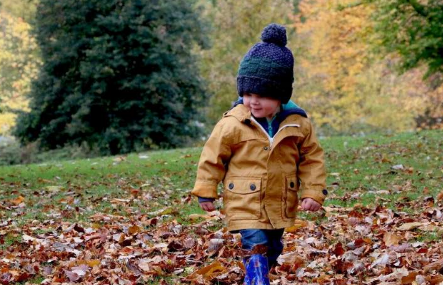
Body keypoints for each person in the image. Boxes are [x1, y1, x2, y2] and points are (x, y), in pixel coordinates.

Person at [191, 23, 327, 284]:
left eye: (262, 95)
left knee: (274, 247)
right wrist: (206, 189)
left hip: (280, 201)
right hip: (244, 200)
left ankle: (261, 273)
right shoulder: (233, 123)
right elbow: (212, 157)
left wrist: (313, 192)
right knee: (256, 244)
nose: (253, 101)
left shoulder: (298, 124)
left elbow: (311, 159)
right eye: (248, 93)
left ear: (280, 96)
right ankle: (255, 280)